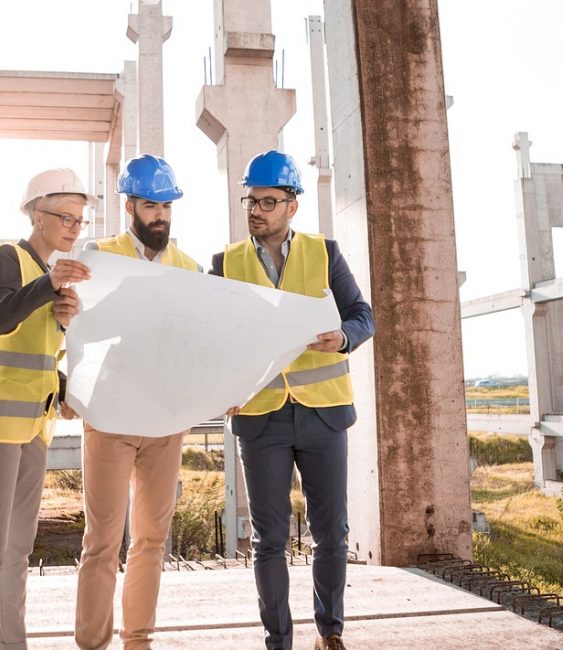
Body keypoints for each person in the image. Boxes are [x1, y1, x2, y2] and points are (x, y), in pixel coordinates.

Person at [210, 150, 375, 650]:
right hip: (261, 418)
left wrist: (342, 337)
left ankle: (331, 631)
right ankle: (278, 640)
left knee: (331, 533)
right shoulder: (225, 263)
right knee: (269, 541)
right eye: (251, 201)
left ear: (291, 206)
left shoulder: (324, 254)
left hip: (323, 413)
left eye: (268, 201)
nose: (256, 209)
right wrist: (220, 389)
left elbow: (362, 316)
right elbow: (211, 338)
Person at [0, 167, 94, 650]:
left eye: (80, 219)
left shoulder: (50, 276)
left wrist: (67, 388)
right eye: (65, 216)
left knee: (16, 552)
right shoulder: (10, 257)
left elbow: (37, 357)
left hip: (34, 426)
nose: (74, 226)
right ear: (36, 214)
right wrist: (46, 288)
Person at [74, 154, 203, 650]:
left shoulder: (188, 268)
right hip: (110, 417)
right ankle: (91, 643)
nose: (162, 216)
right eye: (152, 205)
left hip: (166, 421)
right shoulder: (98, 256)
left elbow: (202, 339)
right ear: (131, 205)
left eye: (168, 206)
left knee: (150, 540)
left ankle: (138, 641)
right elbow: (74, 330)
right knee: (102, 541)